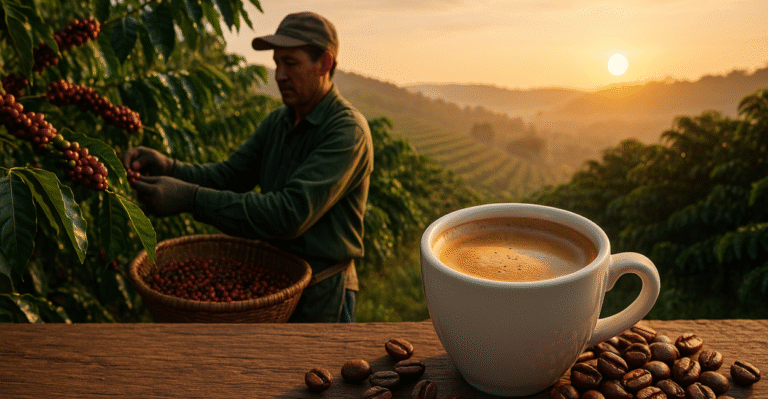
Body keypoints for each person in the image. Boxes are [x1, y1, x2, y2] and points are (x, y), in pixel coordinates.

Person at [124, 11, 374, 323]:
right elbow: (228, 177)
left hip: (322, 292)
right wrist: (169, 167)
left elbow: (289, 214)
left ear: (324, 63)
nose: (279, 74)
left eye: (290, 63)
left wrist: (190, 199)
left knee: (314, 370)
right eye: (277, 63)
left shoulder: (347, 131)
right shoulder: (278, 122)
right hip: (273, 283)